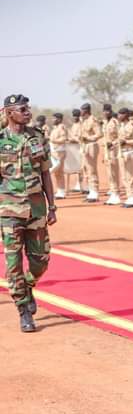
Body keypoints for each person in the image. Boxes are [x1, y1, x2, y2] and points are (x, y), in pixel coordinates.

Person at [0, 94, 57, 332]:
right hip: (9, 210)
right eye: (22, 109)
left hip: (36, 208)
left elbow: (45, 173)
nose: (27, 111)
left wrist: (52, 206)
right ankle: (23, 309)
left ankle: (29, 285)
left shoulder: (38, 137)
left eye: (28, 108)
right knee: (13, 263)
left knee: (40, 261)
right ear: (9, 113)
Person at [115, 108, 133, 208]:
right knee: (124, 177)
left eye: (121, 114)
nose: (119, 116)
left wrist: (126, 142)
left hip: (130, 152)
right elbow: (120, 139)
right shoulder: (121, 126)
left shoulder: (132, 125)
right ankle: (129, 196)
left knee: (130, 176)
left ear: (126, 115)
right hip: (121, 153)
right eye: (118, 114)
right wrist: (113, 144)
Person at [79, 102, 101, 202]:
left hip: (92, 145)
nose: (81, 112)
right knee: (86, 169)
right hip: (84, 146)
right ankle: (91, 191)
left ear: (86, 110)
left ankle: (95, 192)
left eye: (82, 110)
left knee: (92, 170)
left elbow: (99, 134)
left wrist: (88, 138)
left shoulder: (93, 120)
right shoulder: (84, 121)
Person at [101, 104, 122, 205]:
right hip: (106, 150)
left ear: (111, 111)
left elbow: (120, 136)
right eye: (104, 111)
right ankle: (113, 192)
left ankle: (117, 194)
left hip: (113, 149)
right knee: (109, 173)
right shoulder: (105, 123)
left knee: (114, 172)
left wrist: (113, 143)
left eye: (108, 111)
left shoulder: (115, 122)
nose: (106, 113)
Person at [49, 112, 68, 199]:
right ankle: (60, 191)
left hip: (60, 152)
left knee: (59, 172)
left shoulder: (62, 128)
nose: (53, 120)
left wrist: (54, 140)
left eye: (55, 118)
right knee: (56, 173)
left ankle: (62, 191)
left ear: (59, 119)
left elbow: (64, 139)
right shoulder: (55, 128)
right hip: (54, 152)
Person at [67, 109, 85, 193]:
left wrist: (73, 139)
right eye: (74, 116)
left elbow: (80, 137)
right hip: (73, 148)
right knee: (76, 167)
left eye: (76, 116)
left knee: (82, 168)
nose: (74, 117)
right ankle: (78, 184)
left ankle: (84, 186)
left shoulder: (82, 125)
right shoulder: (74, 125)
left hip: (80, 147)